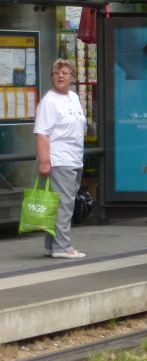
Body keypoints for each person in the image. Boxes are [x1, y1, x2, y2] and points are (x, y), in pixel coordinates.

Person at [34, 58, 87, 259]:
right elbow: (41, 133)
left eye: (65, 73)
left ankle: (51, 245)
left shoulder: (73, 97)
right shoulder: (49, 101)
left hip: (74, 159)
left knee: (58, 203)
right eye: (57, 73)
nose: (61, 76)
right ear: (52, 77)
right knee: (64, 204)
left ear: (72, 77)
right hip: (59, 160)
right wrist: (45, 162)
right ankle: (63, 247)